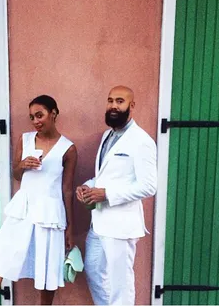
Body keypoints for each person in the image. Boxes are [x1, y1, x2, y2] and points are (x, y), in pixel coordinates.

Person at [0, 95, 77, 305]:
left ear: (54, 113)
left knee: (47, 275)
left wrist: (70, 229)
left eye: (40, 115)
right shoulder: (25, 139)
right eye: (32, 117)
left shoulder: (68, 148)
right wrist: (23, 165)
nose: (36, 121)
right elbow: (16, 175)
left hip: (51, 213)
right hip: (23, 209)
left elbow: (67, 190)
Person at [76, 85, 157, 305]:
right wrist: (88, 186)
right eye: (110, 100)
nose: (113, 105)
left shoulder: (141, 141)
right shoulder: (107, 136)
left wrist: (107, 194)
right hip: (99, 223)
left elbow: (149, 186)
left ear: (131, 106)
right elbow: (107, 175)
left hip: (121, 227)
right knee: (94, 272)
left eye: (119, 101)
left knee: (121, 283)